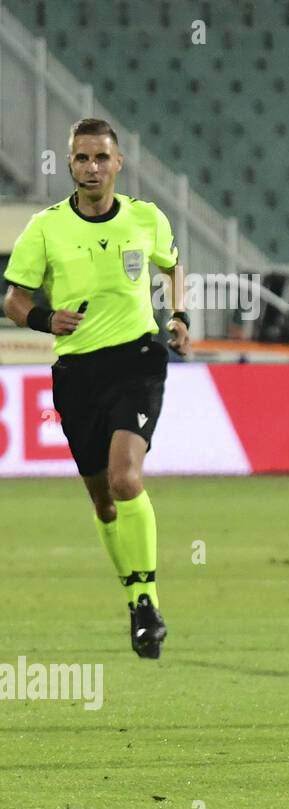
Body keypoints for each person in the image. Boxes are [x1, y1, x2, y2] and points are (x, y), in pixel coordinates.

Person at [2, 118, 190, 659]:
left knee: (126, 477)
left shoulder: (145, 219)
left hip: (137, 361)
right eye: (82, 159)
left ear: (118, 163)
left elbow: (173, 266)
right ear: (69, 164)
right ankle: (135, 599)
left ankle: (148, 601)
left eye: (101, 158)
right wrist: (43, 319)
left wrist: (177, 316)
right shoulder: (45, 228)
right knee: (104, 502)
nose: (92, 168)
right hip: (77, 374)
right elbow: (13, 299)